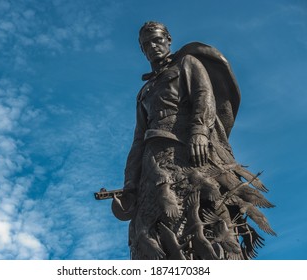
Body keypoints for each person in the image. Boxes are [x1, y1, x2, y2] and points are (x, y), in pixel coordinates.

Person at [112, 21, 275, 260]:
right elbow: (138, 139)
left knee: (199, 213)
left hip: (187, 150)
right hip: (153, 161)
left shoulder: (187, 64)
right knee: (153, 228)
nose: (153, 46)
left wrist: (199, 131)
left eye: (157, 40)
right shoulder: (144, 92)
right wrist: (129, 187)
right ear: (142, 49)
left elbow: (203, 96)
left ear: (168, 39)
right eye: (147, 44)